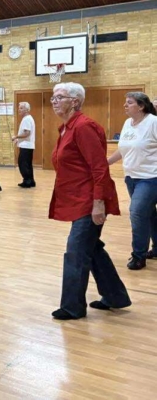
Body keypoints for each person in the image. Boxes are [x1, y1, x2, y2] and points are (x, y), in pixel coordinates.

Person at [49, 82, 131, 320]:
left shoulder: (84, 127)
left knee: (76, 251)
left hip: (89, 200)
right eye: (53, 97)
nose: (54, 101)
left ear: (75, 101)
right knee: (91, 248)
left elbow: (99, 168)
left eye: (59, 97)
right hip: (76, 198)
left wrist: (98, 203)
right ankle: (116, 296)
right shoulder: (66, 128)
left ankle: (72, 307)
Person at [107, 92, 157, 270]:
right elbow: (123, 149)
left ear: (141, 106)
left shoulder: (153, 122)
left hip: (150, 178)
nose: (125, 105)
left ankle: (138, 256)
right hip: (131, 177)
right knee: (149, 214)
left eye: (129, 103)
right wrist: (106, 163)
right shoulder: (128, 123)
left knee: (137, 213)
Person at [12, 102, 36, 188]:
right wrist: (18, 139)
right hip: (28, 145)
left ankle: (27, 181)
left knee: (22, 163)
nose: (19, 110)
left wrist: (16, 137)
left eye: (21, 108)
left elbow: (26, 133)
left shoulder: (26, 119)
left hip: (26, 146)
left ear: (27, 109)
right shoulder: (28, 118)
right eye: (19, 108)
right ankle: (31, 181)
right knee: (28, 164)